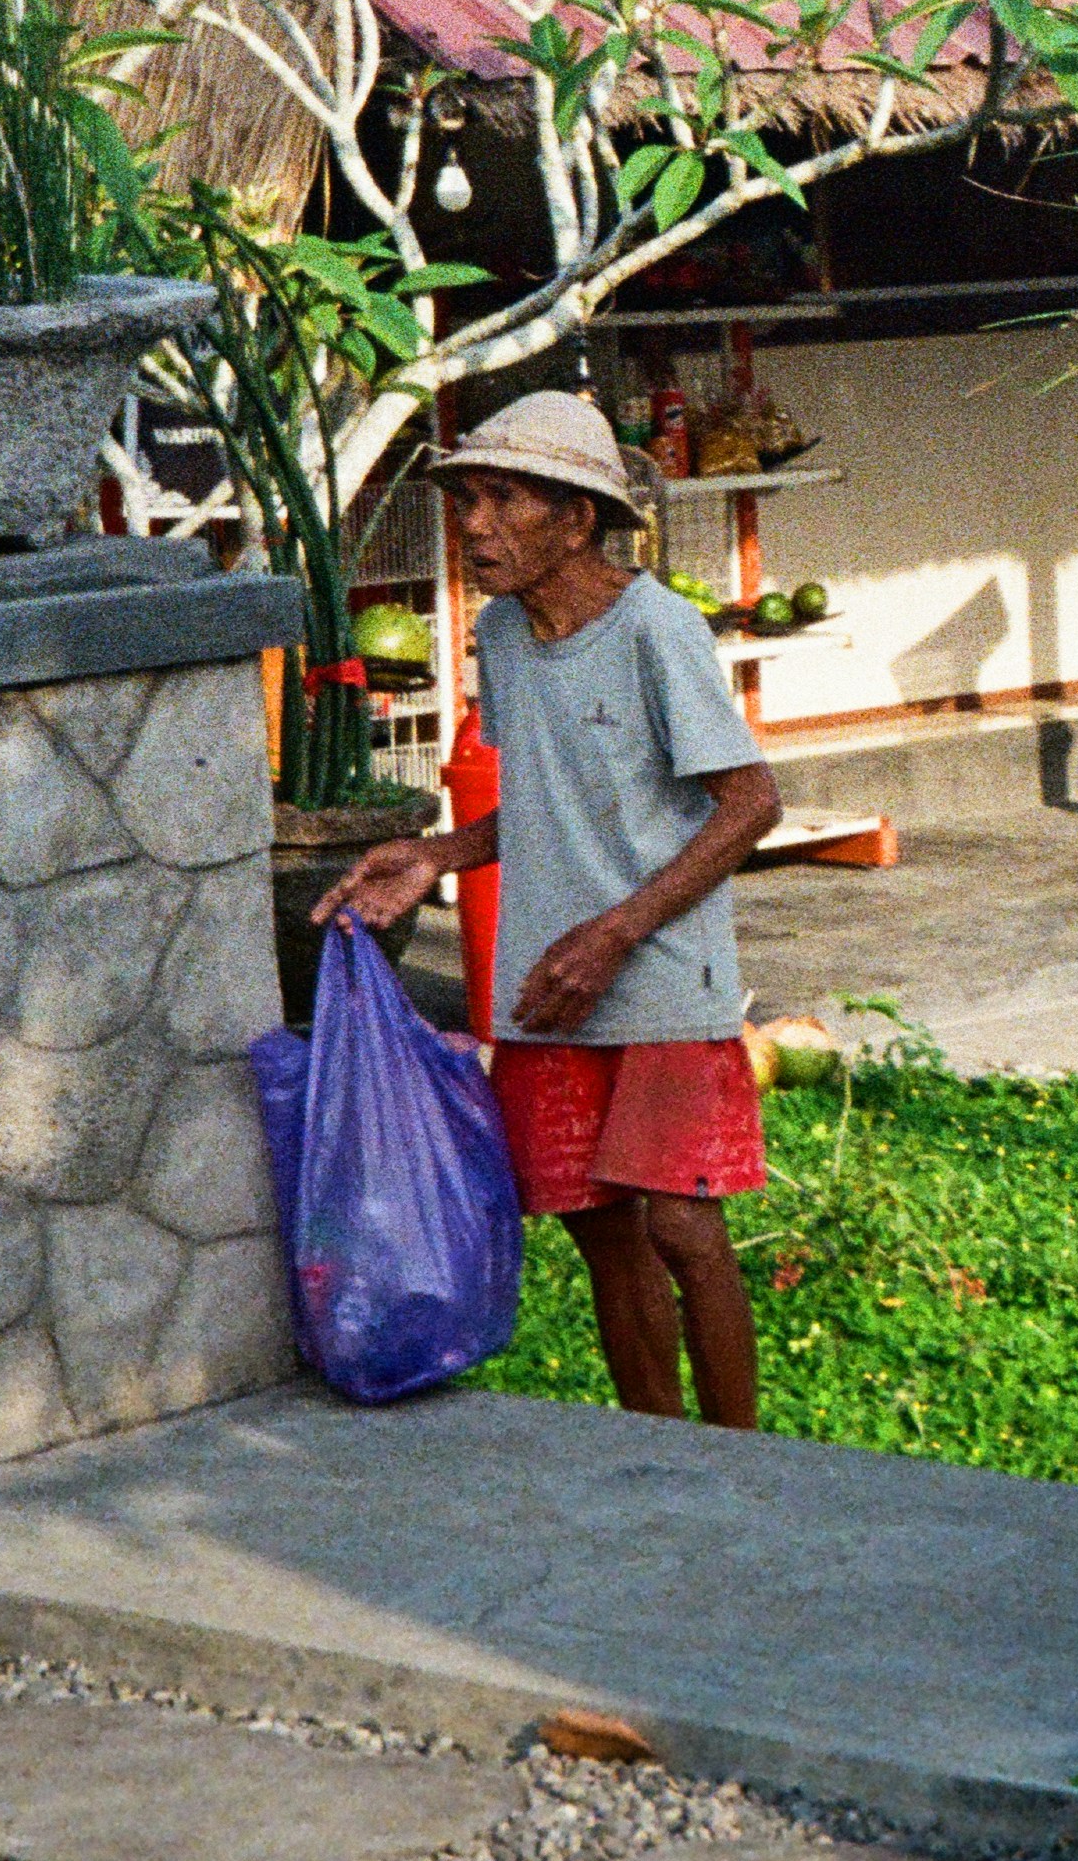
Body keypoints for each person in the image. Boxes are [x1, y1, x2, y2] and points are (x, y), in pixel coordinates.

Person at [316, 392, 782, 1430]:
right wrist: (438, 851)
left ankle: (745, 1460)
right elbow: (538, 805)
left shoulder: (659, 628)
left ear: (577, 519)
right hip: (546, 981)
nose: (474, 525)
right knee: (599, 1232)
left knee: (682, 1227)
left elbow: (751, 802)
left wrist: (615, 932)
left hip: (657, 975)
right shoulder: (504, 636)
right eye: (468, 499)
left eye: (504, 498)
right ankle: (658, 1451)